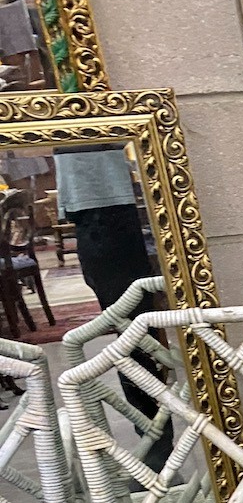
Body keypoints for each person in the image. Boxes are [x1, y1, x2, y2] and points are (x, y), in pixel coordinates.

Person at [55, 147, 173, 467]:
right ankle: (155, 442)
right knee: (134, 340)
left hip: (110, 204)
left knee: (135, 341)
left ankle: (157, 445)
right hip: (102, 203)